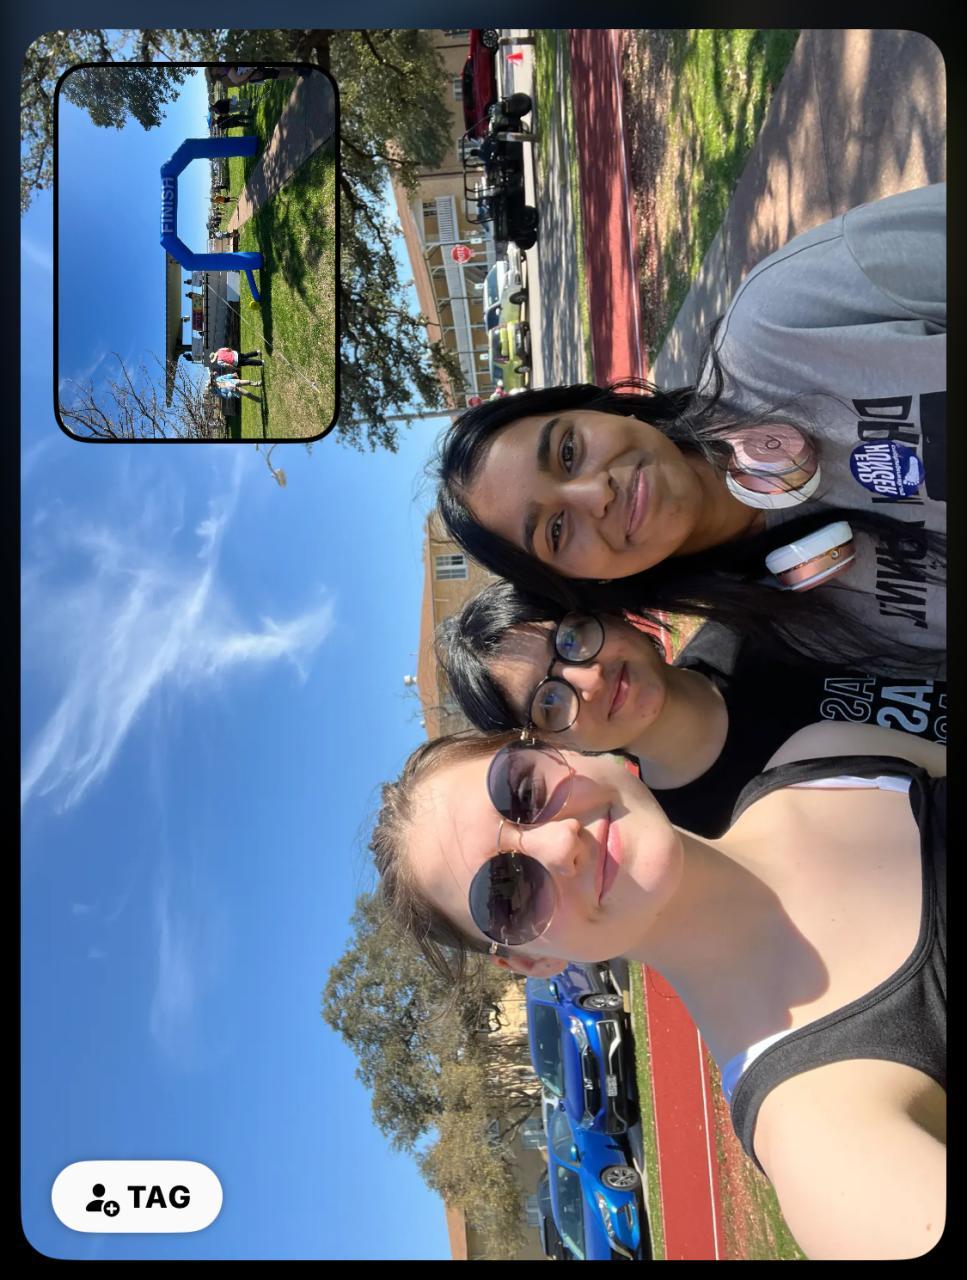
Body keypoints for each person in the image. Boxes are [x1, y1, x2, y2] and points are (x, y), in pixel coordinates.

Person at [371, 722, 945, 1259]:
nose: (561, 843)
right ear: (534, 960)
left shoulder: (821, 757)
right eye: (510, 892)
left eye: (524, 790)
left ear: (563, 749)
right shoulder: (819, 1137)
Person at [435, 184, 946, 675]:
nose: (596, 494)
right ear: (587, 583)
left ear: (602, 410)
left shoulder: (781, 322)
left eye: (568, 451)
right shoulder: (799, 634)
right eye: (556, 531)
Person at [437, 581, 946, 838]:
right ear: (554, 745)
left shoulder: (757, 618)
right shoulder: (705, 837)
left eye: (570, 639)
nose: (590, 678)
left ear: (607, 615)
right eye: (549, 701)